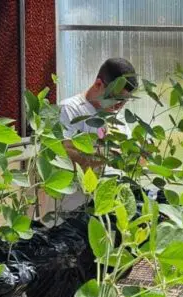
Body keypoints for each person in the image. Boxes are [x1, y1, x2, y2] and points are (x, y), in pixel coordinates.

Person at [58, 57, 138, 210]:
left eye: (124, 101)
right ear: (98, 84)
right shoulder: (69, 110)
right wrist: (106, 154)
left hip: (109, 209)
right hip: (73, 213)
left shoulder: (118, 117)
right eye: (116, 98)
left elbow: (129, 156)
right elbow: (64, 157)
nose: (119, 105)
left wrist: (140, 153)